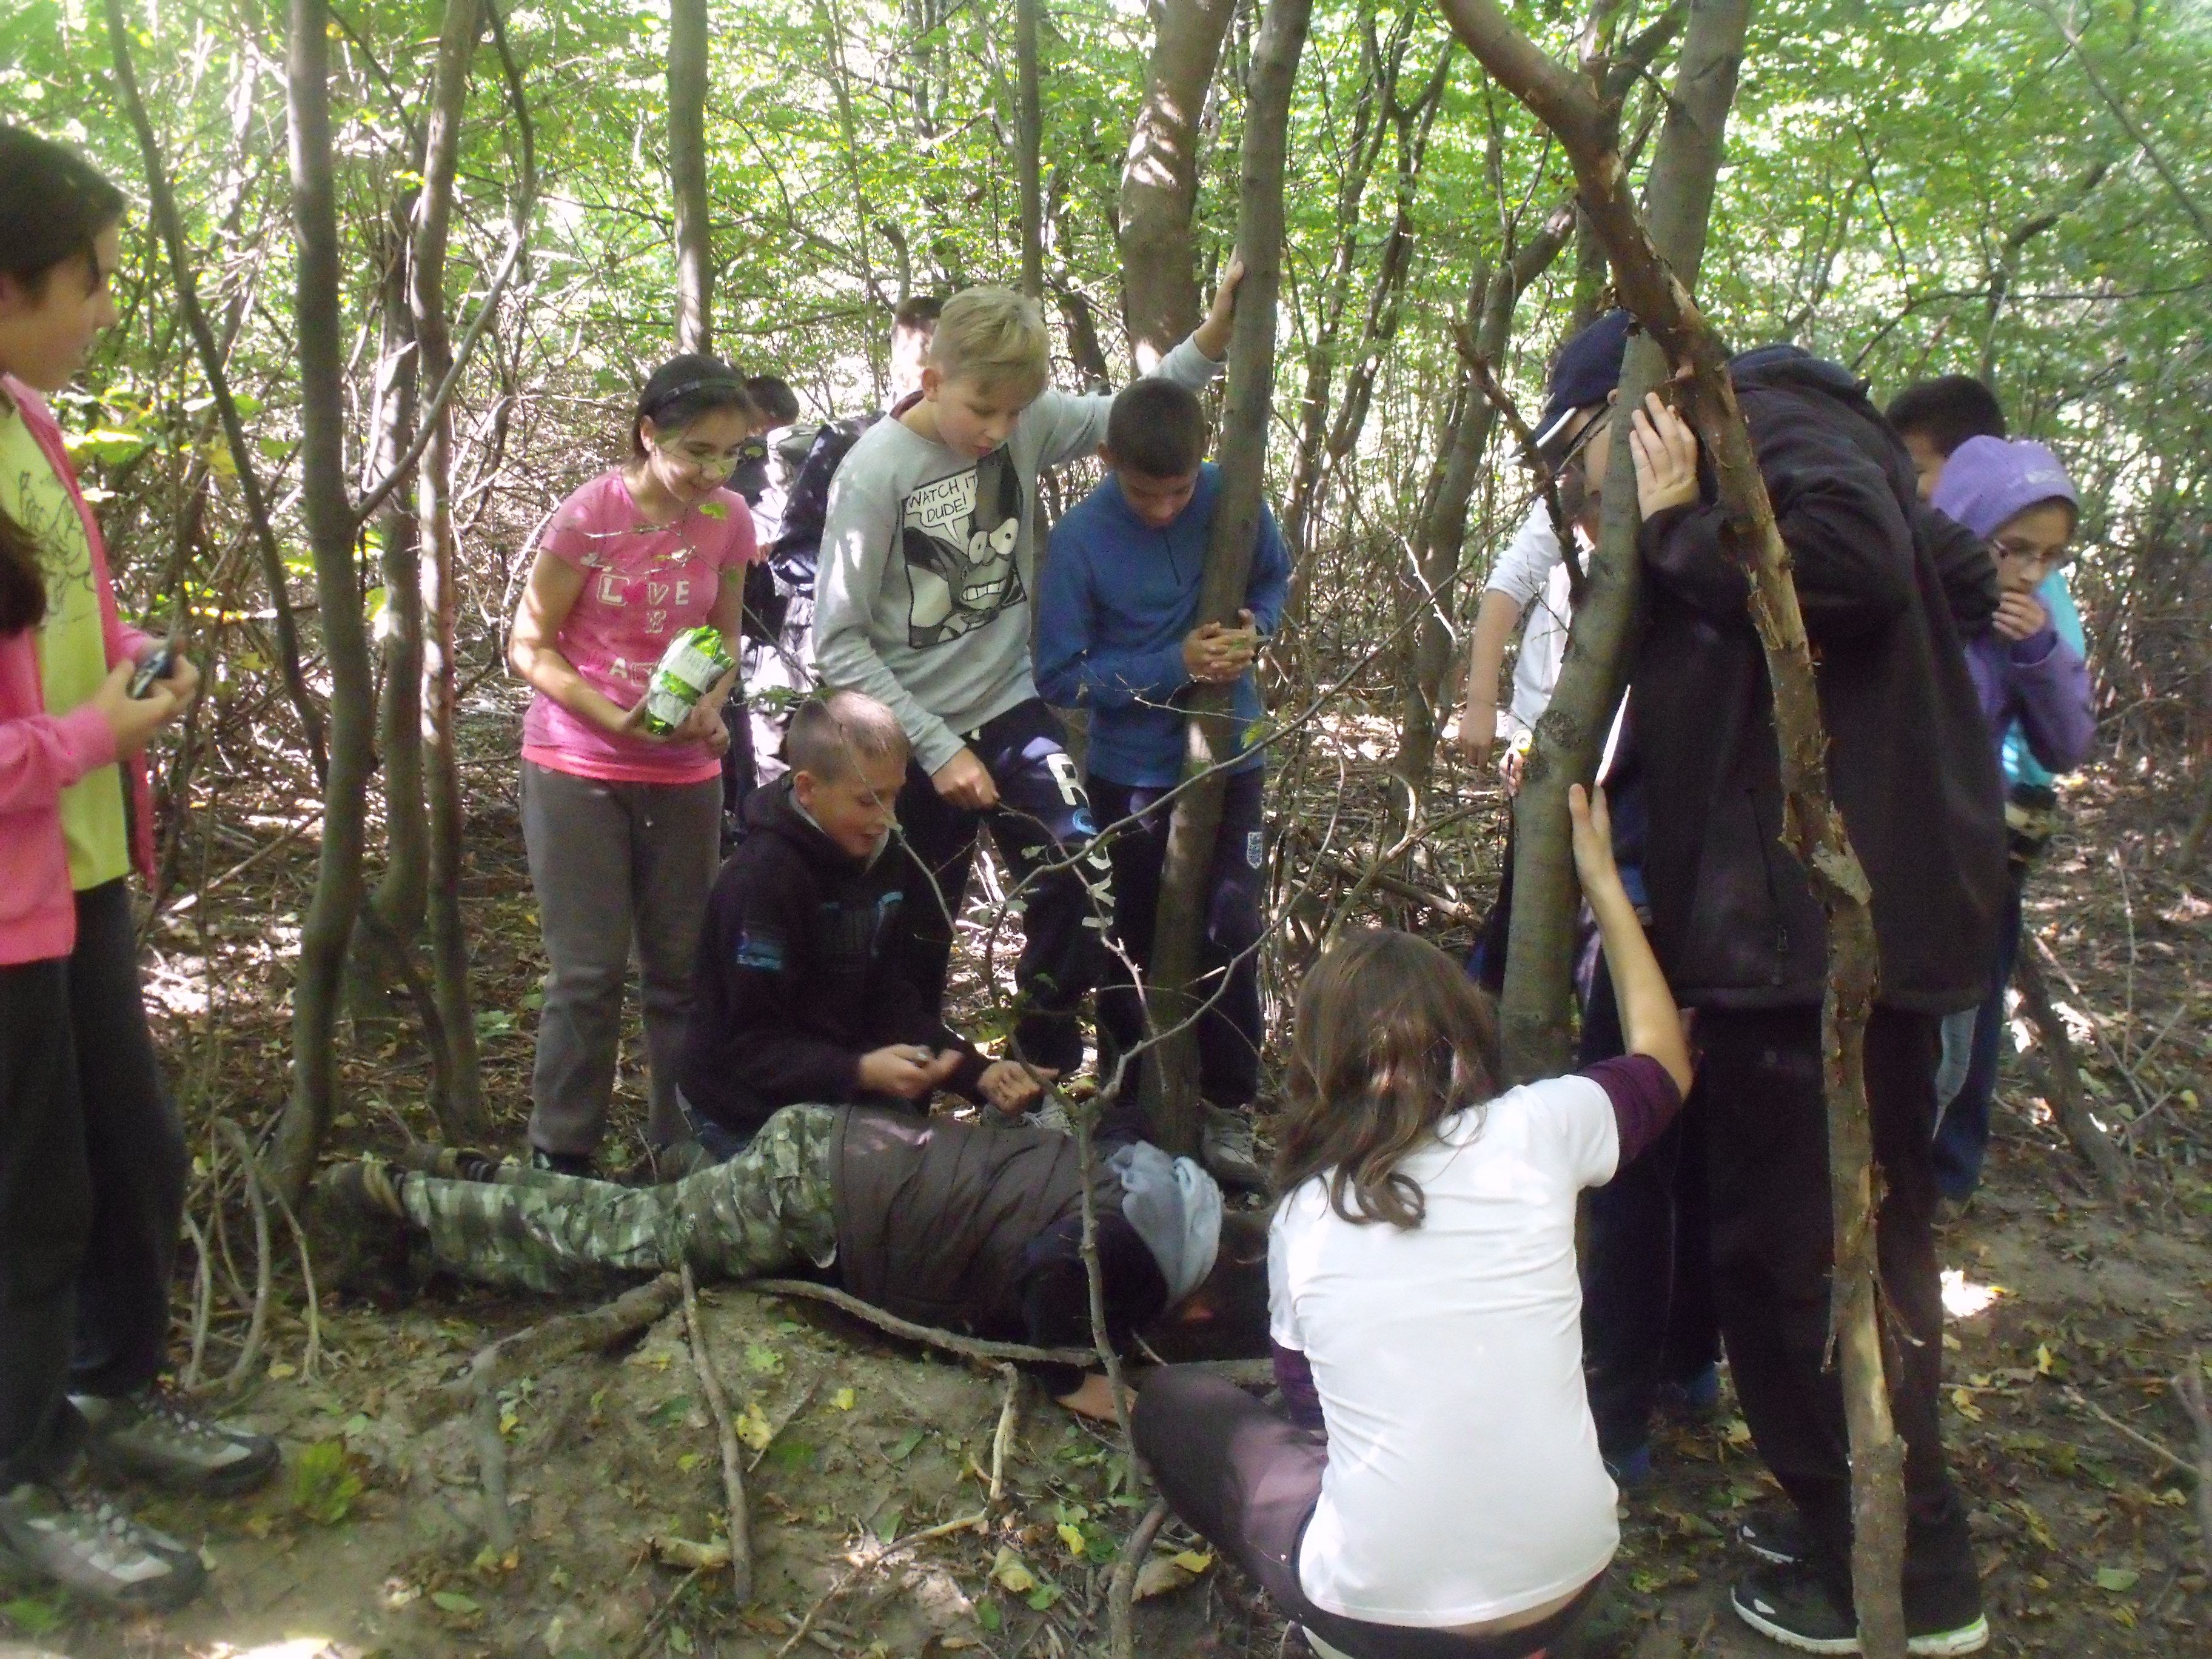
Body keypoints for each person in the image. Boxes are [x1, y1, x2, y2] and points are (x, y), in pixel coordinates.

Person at [1561, 316, 2002, 1652]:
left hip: (1811, 935)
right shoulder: (1805, 436)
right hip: (1829, 920)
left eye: (1579, 456)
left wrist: (1678, 534)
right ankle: (1866, 1524)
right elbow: (1948, 569)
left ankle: (1904, 1570)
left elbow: (1856, 568)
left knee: (1795, 1259)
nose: (1586, 493)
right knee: (1845, 1244)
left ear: (1633, 411)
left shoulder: (1763, 422)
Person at [1132, 785, 1692, 1659]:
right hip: (1571, 1577)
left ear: (1320, 1063)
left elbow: (1313, 1413)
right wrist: (1604, 887)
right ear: (1467, 1028)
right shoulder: (1542, 1128)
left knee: (1173, 1405)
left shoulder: (1306, 1215)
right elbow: (1663, 1059)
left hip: (1383, 1618)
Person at [0, 127, 278, 1612]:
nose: (108, 303)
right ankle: (21, 1479)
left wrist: (132, 665)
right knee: (26, 1193)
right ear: (9, 282)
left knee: (131, 1154)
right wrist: (83, 735)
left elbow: (63, 615)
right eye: (91, 277)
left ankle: (108, 1390)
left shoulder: (27, 422)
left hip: (80, 868)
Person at [813, 267, 1245, 1074]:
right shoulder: (874, 474)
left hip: (1010, 707)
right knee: (917, 931)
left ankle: (1037, 1070)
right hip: (907, 734)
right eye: (983, 409)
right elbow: (837, 644)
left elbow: (1133, 410)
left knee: (1081, 880)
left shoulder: (1025, 422)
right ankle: (913, 1097)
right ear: (932, 380)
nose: (998, 431)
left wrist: (1213, 337)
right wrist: (937, 747)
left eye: (1014, 414)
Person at [308, 1090, 1265, 1421]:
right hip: (818, 1196)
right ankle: (402, 1205)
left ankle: (468, 1178)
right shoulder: (1138, 1256)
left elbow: (1099, 1139)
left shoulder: (1165, 1186)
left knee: (639, 1220)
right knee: (621, 1246)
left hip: (846, 1150)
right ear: (1200, 1305)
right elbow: (1054, 1280)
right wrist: (1079, 1382)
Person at [507, 357, 760, 1175]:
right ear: (650, 434)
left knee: (681, 973)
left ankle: (679, 1146)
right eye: (698, 451)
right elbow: (529, 645)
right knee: (587, 973)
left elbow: (724, 635)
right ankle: (562, 1154)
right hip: (577, 766)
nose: (714, 473)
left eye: (732, 454)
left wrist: (711, 705)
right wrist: (611, 718)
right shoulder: (592, 515)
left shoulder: (728, 517)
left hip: (683, 777)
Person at [1034, 378, 1288, 1119]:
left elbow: (1273, 579)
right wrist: (1176, 664)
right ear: (1108, 458)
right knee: (1128, 941)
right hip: (1132, 774)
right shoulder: (1081, 539)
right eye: (1145, 493)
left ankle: (1228, 1104)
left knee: (1231, 930)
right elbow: (1062, 676)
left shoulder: (1231, 497)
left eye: (1179, 491)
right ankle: (1125, 1101)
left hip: (1234, 753)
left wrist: (1257, 628)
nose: (1165, 508)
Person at [675, 690, 1050, 1158]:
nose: (887, 818)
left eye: (894, 796)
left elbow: (886, 996)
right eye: (868, 800)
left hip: (830, 1083)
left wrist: (976, 1073)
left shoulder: (876, 851)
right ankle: (694, 1162)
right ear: (808, 789)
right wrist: (859, 1072)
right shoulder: (763, 882)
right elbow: (749, 1047)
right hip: (740, 1107)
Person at [1927, 437, 2095, 1202]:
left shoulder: (2029, 628)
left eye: (2050, 557)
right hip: (1898, 861)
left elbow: (2067, 744)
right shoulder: (1915, 603)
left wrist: (2038, 654)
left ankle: (1931, 1184)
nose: (2031, 573)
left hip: (1972, 870)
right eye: (2015, 549)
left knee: (1956, 1044)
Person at [739, 300, 945, 811]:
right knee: (792, 780)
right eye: (926, 361)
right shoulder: (848, 442)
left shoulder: (977, 448)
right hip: (812, 654)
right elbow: (796, 554)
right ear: (900, 365)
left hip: (923, 673)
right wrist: (864, 579)